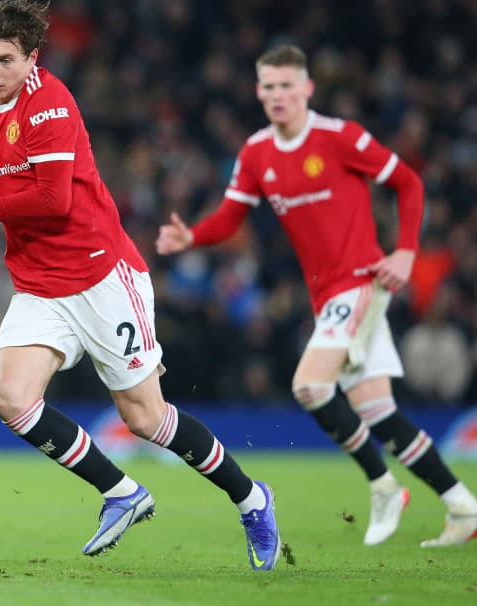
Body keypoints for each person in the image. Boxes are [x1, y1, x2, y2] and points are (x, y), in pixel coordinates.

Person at [0, 0, 281, 570]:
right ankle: (120, 492)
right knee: (9, 399)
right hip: (40, 287)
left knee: (144, 419)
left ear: (31, 59)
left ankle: (251, 498)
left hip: (101, 278)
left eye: (4, 59)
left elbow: (52, 199)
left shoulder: (51, 104)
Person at [156, 44, 477, 547]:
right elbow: (231, 216)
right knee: (378, 411)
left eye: (288, 85)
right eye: (270, 86)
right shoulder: (257, 152)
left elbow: (409, 183)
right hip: (326, 295)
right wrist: (191, 237)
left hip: (362, 281)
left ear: (306, 88)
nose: (279, 95)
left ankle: (383, 484)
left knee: (310, 386)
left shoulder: (339, 136)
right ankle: (463, 506)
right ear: (259, 92)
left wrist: (407, 253)